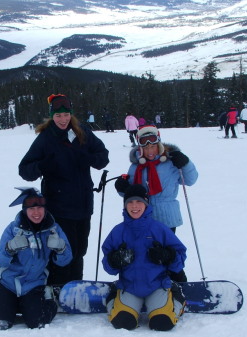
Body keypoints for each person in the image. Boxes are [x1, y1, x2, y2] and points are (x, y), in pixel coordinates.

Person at [18, 94, 109, 285]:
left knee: (80, 250)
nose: (63, 119)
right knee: (62, 250)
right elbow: (25, 170)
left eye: (66, 114)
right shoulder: (46, 138)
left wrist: (88, 157)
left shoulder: (81, 132)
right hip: (59, 206)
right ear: (52, 116)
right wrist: (43, 165)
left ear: (71, 114)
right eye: (58, 115)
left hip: (83, 205)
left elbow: (103, 156)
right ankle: (57, 288)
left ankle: (75, 288)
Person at [0, 187, 72, 330]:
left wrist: (61, 248)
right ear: (24, 210)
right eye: (31, 209)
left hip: (33, 285)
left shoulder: (53, 229)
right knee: (0, 323)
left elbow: (66, 260)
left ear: (45, 209)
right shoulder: (13, 229)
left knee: (38, 323)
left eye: (40, 208)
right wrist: (10, 248)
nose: (36, 213)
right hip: (7, 283)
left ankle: (47, 297)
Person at [114, 124, 198, 282]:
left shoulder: (171, 163)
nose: (150, 151)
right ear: (140, 148)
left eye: (153, 146)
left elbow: (191, 180)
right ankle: (152, 285)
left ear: (159, 145)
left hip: (166, 217)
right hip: (142, 219)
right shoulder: (136, 167)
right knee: (146, 254)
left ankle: (180, 284)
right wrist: (122, 188)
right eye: (146, 147)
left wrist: (186, 163)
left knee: (168, 253)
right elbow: (133, 194)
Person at [102, 184, 187, 331]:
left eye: (139, 201)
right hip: (129, 287)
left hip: (157, 286)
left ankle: (177, 298)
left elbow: (180, 257)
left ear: (146, 203)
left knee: (163, 323)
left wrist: (168, 256)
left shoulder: (159, 229)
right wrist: (114, 260)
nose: (134, 206)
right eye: (130, 202)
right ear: (125, 205)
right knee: (122, 323)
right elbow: (107, 265)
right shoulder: (118, 231)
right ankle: (112, 296)